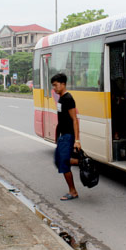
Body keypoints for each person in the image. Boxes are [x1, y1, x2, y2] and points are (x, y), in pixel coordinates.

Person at [51, 73, 81, 201]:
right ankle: (81, 162)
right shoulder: (61, 99)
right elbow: (61, 119)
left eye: (56, 85)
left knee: (63, 162)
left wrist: (77, 140)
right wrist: (57, 135)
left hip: (69, 136)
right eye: (53, 86)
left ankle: (73, 191)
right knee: (58, 161)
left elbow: (74, 120)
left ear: (63, 84)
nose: (54, 88)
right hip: (63, 136)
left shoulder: (68, 98)